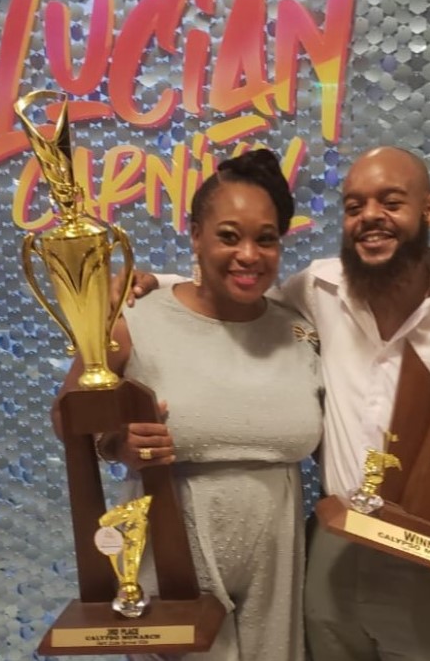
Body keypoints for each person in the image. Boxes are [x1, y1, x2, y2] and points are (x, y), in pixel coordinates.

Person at [128, 146, 430, 661]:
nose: (371, 216)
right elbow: (241, 286)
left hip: (426, 557)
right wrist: (152, 284)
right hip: (329, 549)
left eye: (390, 202)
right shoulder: (316, 289)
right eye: (354, 206)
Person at [55, 148, 324, 661]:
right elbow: (68, 418)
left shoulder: (299, 328)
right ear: (195, 234)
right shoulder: (134, 315)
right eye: (228, 235)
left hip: (278, 565)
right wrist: (118, 445)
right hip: (172, 557)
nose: (249, 253)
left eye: (265, 239)